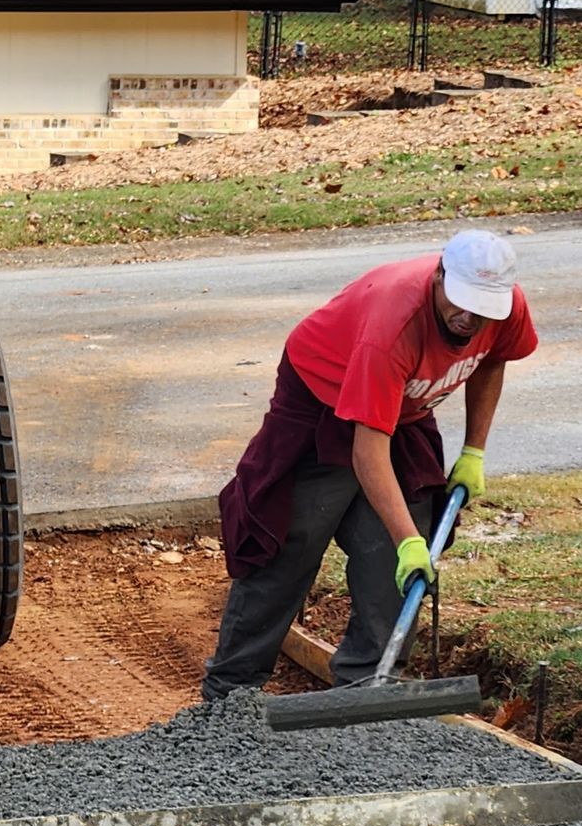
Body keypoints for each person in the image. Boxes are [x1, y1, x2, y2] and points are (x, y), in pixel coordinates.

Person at [203, 227, 537, 700]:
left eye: (482, 309)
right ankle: (231, 693)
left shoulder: (502, 307)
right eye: (460, 302)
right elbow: (367, 451)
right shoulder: (395, 325)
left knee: (390, 558)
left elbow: (492, 360)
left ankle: (367, 690)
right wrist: (410, 544)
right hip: (321, 400)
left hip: (405, 410)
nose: (468, 318)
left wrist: (473, 451)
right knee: (292, 539)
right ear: (440, 276)